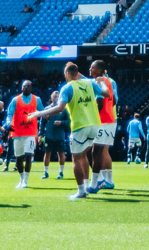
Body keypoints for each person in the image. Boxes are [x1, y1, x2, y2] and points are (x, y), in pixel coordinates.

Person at [29, 62, 109, 201]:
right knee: (84, 154)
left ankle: (81, 191)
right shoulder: (89, 83)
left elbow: (59, 108)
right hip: (95, 125)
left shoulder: (67, 88)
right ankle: (87, 185)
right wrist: (102, 82)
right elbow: (106, 93)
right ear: (77, 72)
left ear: (67, 74)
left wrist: (40, 113)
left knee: (76, 158)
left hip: (80, 125)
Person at [4, 80, 45, 189]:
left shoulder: (37, 100)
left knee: (28, 155)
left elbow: (43, 111)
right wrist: (8, 123)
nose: (25, 88)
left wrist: (49, 114)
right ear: (21, 87)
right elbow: (10, 113)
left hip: (31, 132)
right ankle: (21, 179)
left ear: (31, 88)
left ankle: (25, 181)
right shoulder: (15, 100)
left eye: (27, 86)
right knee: (18, 157)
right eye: (24, 86)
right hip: (17, 132)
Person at [88, 60, 117, 192]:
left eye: (92, 68)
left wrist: (91, 115)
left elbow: (99, 101)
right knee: (102, 151)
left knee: (94, 151)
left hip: (102, 120)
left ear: (99, 70)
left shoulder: (98, 82)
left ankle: (96, 182)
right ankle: (107, 180)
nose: (90, 69)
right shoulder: (110, 81)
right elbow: (115, 100)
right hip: (110, 118)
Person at [41, 90, 70, 180]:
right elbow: (42, 123)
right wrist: (40, 134)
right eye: (54, 96)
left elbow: (69, 122)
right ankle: (46, 172)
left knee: (61, 153)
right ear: (51, 98)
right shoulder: (47, 109)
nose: (55, 98)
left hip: (60, 135)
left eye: (57, 97)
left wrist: (61, 122)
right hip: (49, 135)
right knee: (47, 153)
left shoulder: (64, 110)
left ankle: (61, 172)